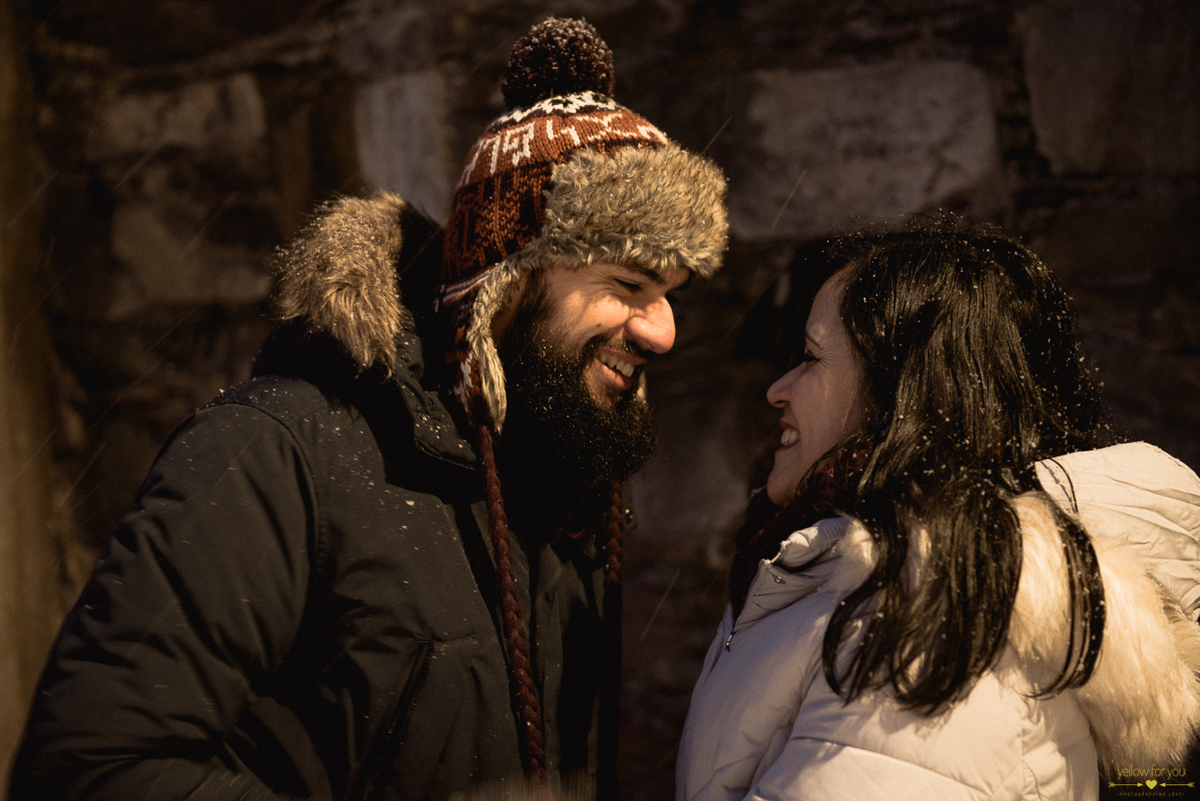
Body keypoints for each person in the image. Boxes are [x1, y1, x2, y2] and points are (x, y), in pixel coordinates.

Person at [11, 17, 728, 801]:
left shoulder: (562, 493)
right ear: (507, 283)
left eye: (670, 294)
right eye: (628, 285)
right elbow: (85, 772)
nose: (662, 331)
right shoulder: (277, 453)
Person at [676, 220, 1200, 801]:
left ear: (904, 393)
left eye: (810, 357)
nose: (778, 389)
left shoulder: (944, 612)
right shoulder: (859, 572)